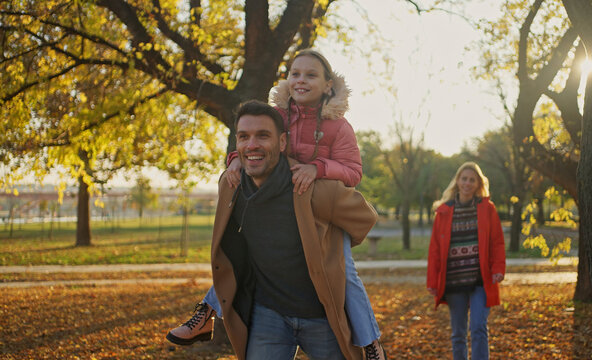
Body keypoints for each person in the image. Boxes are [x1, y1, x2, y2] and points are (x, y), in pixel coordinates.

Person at [167, 50, 386, 359]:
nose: (301, 80)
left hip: (323, 216)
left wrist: (318, 168)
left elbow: (353, 172)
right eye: (295, 73)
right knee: (241, 253)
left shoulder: (338, 126)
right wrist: (233, 162)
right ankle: (206, 312)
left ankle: (369, 341)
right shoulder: (279, 115)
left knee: (346, 273)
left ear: (328, 85)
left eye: (311, 75)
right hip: (280, 208)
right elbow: (256, 144)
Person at [213, 99, 376, 359]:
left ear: (282, 142)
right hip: (268, 316)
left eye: (263, 136)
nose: (252, 144)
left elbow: (365, 219)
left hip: (322, 317)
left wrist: (327, 245)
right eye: (244, 137)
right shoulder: (232, 187)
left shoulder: (314, 188)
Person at [426, 162, 506, 360]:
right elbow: (435, 249)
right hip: (454, 281)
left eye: (472, 180)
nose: (467, 183)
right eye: (464, 179)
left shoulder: (487, 209)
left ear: (478, 184)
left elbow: (497, 242)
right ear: (457, 181)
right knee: (458, 334)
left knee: (478, 327)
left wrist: (498, 268)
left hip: (481, 279)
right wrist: (432, 281)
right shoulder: (444, 212)